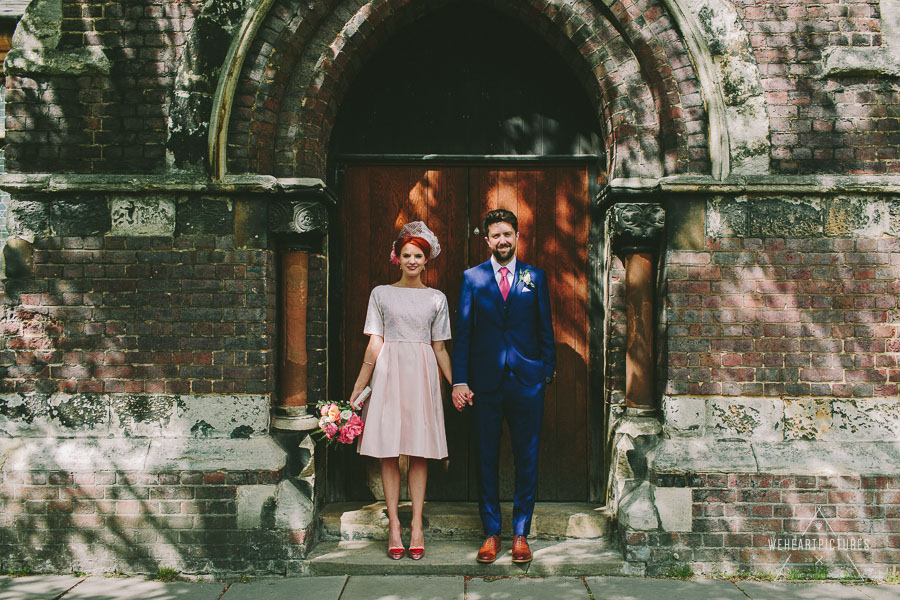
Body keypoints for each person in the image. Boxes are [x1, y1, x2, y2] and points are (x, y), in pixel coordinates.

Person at [451, 209, 556, 565]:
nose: (502, 240)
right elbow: (463, 333)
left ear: (517, 235)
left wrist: (546, 371)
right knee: (486, 457)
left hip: (527, 383)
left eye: (507, 234)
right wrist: (460, 379)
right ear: (487, 240)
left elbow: (546, 328)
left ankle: (521, 534)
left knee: (527, 458)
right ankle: (492, 533)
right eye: (496, 235)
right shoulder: (472, 278)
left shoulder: (535, 277)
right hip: (485, 384)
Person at [349, 221, 453, 561]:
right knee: (389, 451)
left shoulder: (437, 298)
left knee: (419, 451)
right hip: (389, 372)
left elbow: (439, 347)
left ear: (426, 260)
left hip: (422, 373)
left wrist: (458, 384)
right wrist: (359, 386)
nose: (412, 261)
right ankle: (394, 524)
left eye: (418, 256)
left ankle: (417, 524)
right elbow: (374, 343)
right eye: (406, 255)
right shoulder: (380, 294)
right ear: (397, 257)